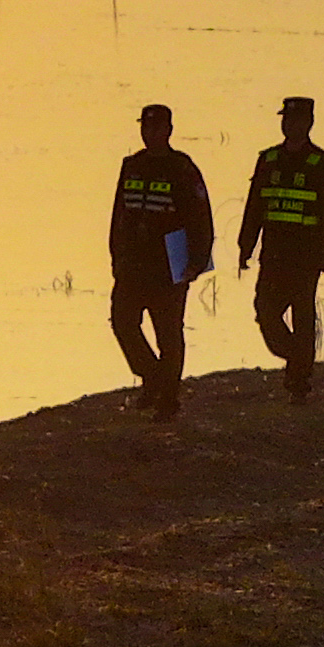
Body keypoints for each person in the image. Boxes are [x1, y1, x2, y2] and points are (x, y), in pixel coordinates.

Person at [107, 103, 213, 418]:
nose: (150, 134)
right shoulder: (132, 166)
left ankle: (168, 398)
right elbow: (119, 215)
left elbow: (200, 217)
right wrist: (116, 254)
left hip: (169, 263)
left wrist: (197, 260)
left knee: (168, 332)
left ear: (168, 130)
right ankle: (152, 378)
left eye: (156, 128)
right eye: (145, 128)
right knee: (123, 322)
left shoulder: (182, 168)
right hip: (133, 264)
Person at [237, 95, 324, 401]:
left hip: (305, 257)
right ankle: (297, 359)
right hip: (273, 254)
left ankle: (299, 379)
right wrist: (246, 245)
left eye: (296, 121)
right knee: (266, 313)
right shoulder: (269, 160)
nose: (290, 125)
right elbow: (254, 206)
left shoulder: (321, 164)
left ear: (308, 124)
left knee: (302, 315)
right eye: (286, 120)